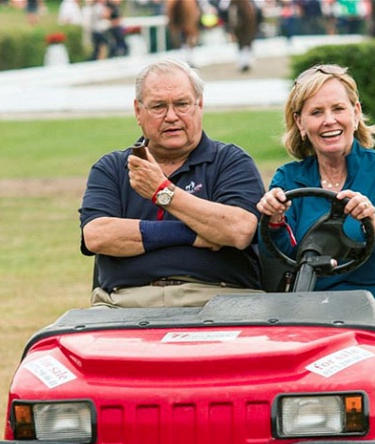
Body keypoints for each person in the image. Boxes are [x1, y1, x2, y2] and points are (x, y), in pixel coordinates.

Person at [256, 64, 375, 354]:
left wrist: (374, 222)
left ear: (355, 112)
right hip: (320, 311)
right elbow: (281, 256)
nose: (329, 121)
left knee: (352, 332)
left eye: (338, 109)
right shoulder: (288, 178)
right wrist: (274, 220)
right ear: (300, 123)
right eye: (316, 113)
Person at [79, 58, 265, 309]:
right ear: (138, 111)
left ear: (199, 105)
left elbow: (239, 230)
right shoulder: (112, 167)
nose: (171, 116)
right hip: (125, 303)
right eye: (158, 106)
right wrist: (193, 234)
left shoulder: (230, 161)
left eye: (182, 104)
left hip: (221, 301)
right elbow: (97, 235)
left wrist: (162, 192)